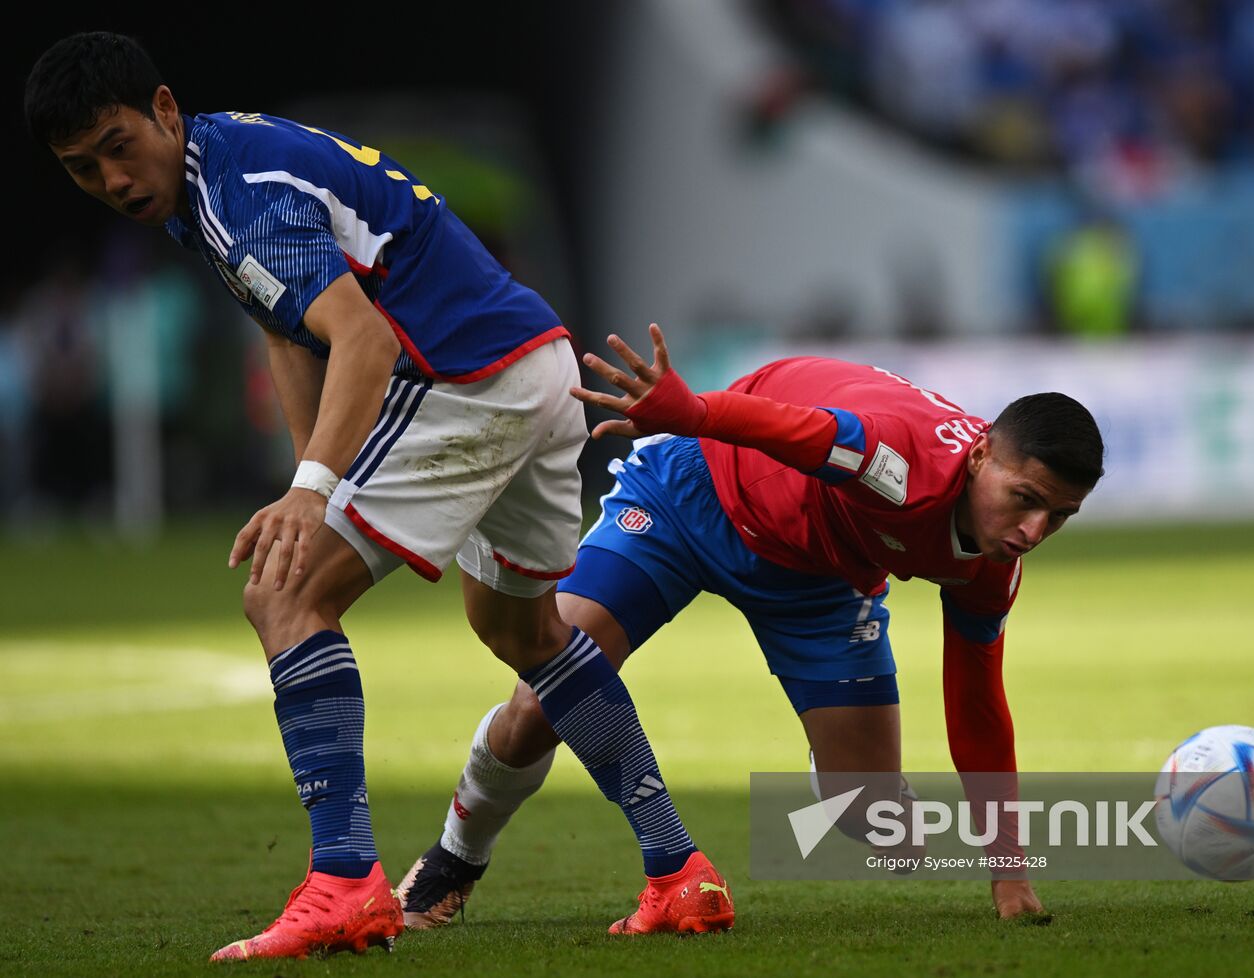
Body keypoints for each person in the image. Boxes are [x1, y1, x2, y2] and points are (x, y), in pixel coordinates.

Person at [24, 33, 732, 960]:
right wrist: (305, 480)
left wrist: (318, 491)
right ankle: (679, 872)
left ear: (163, 109)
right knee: (526, 636)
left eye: (119, 146)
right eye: (83, 170)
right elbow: (288, 333)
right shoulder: (221, 166)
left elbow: (362, 341)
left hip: (461, 376)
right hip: (531, 363)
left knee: (284, 597)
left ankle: (346, 883)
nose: (113, 179)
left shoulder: (238, 191)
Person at [397, 323, 1102, 926]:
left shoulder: (993, 564)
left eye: (1059, 516)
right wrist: (690, 411)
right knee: (545, 697)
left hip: (821, 578)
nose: (1036, 529)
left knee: (879, 821)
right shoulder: (900, 464)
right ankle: (455, 857)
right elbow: (801, 431)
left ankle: (847, 770)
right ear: (981, 456)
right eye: (1026, 499)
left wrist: (1008, 867)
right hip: (693, 494)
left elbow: (977, 703)